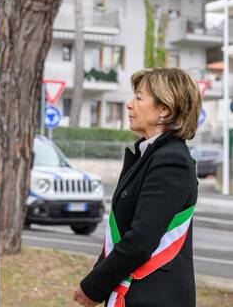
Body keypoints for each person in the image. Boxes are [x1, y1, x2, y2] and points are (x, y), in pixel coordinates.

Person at [74, 68, 200, 307]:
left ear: (165, 110)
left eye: (139, 98)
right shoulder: (150, 155)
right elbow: (121, 231)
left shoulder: (171, 161)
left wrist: (93, 286)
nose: (129, 105)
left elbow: (140, 240)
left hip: (154, 296)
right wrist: (96, 278)